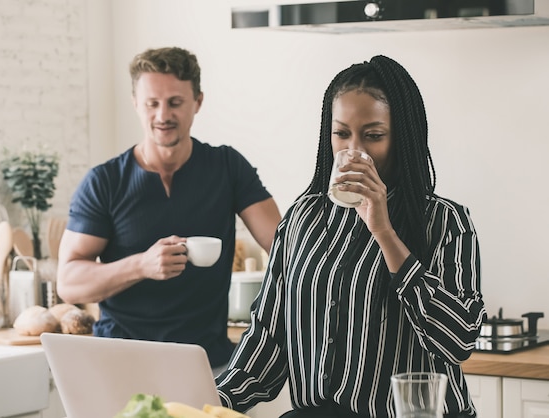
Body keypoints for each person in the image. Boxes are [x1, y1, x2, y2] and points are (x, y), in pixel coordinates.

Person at [215, 55, 486, 417]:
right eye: (341, 133)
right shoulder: (301, 220)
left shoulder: (445, 222)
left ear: (402, 138)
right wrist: (212, 402)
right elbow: (268, 339)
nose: (353, 151)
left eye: (373, 135)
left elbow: (460, 341)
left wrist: (384, 231)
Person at [56, 46, 282, 370]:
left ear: (198, 102)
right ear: (136, 103)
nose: (163, 115)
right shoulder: (104, 181)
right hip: (119, 363)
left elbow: (285, 245)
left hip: (207, 363)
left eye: (175, 102)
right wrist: (141, 266)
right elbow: (68, 282)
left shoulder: (227, 168)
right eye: (152, 103)